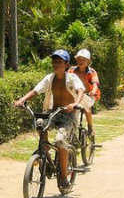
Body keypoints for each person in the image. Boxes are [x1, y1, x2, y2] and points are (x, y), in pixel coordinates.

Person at [13, 49, 85, 190]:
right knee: (39, 123)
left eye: (59, 62)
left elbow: (80, 91)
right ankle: (44, 151)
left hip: (68, 114)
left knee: (59, 140)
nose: (56, 64)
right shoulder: (49, 78)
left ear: (66, 64)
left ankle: (64, 176)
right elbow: (35, 91)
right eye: (54, 61)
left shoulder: (72, 78)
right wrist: (21, 100)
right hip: (54, 111)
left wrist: (75, 103)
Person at [68, 48, 100, 135]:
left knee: (86, 107)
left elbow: (95, 84)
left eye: (83, 59)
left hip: (88, 96)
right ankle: (72, 128)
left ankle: (90, 126)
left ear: (88, 61)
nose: (80, 61)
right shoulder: (71, 70)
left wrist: (93, 91)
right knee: (71, 109)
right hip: (75, 96)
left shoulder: (91, 72)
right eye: (79, 59)